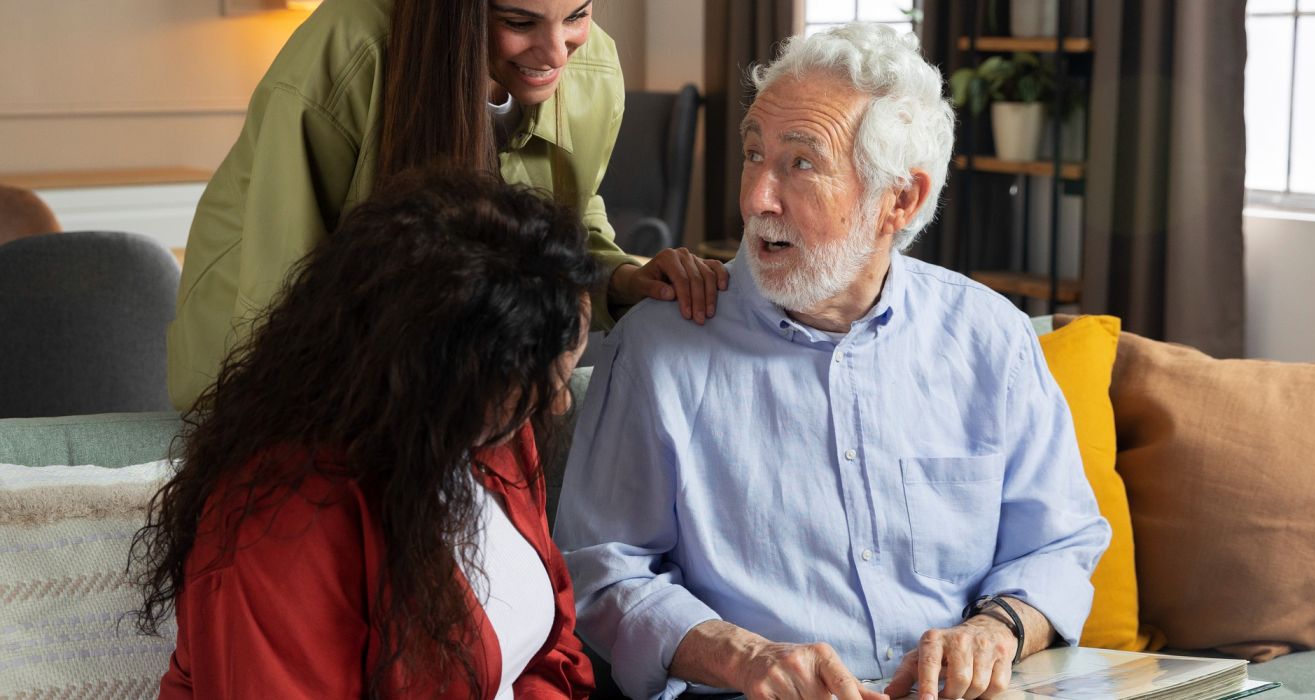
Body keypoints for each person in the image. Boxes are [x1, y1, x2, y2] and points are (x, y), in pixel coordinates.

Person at [554, 23, 1111, 700]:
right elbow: (601, 573)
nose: (757, 197)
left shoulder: (990, 337)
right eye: (753, 155)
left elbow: (1057, 542)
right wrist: (741, 656)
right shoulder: (659, 346)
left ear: (899, 200)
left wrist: (995, 632)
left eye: (800, 163)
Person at [134, 168, 598, 699]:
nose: (559, 405)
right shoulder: (281, 520)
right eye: (543, 385)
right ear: (441, 377)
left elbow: (550, 654)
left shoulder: (494, 437)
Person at [167, 0, 728, 411]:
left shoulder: (593, 69)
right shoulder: (349, 51)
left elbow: (569, 219)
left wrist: (624, 277)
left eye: (578, 14)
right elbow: (277, 282)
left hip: (447, 370)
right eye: (519, 22)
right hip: (279, 355)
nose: (557, 52)